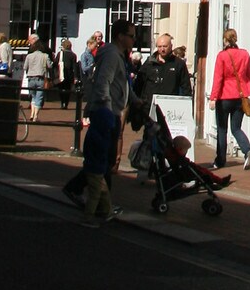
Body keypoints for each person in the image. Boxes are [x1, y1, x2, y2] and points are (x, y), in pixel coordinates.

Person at [77, 18, 135, 223]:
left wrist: (135, 101)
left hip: (108, 111)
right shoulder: (112, 55)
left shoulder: (118, 55)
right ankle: (96, 210)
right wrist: (107, 110)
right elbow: (103, 82)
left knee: (105, 160)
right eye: (131, 36)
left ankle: (102, 206)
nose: (134, 40)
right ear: (121, 36)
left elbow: (122, 83)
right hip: (106, 112)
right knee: (104, 159)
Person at [208, 27, 250, 169]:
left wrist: (213, 97)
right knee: (236, 128)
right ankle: (247, 150)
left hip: (225, 97)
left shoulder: (222, 56)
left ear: (225, 40)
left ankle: (220, 160)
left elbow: (218, 78)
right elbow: (249, 75)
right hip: (240, 96)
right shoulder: (245, 54)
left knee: (222, 129)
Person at [138, 32, 192, 101]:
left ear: (171, 46)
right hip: (149, 105)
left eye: (165, 46)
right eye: (159, 46)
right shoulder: (149, 63)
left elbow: (186, 87)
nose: (162, 49)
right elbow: (139, 83)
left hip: (170, 105)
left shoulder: (178, 64)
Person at [23, 36, 50, 112]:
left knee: (33, 97)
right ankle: (35, 116)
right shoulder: (45, 55)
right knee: (39, 97)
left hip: (31, 77)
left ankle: (32, 114)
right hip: (40, 77)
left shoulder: (29, 56)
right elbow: (50, 65)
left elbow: (25, 67)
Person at [55, 39, 78, 110]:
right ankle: (66, 103)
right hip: (69, 75)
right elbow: (74, 67)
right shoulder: (73, 55)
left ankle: (62, 102)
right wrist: (75, 77)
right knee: (68, 89)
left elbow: (55, 63)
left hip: (61, 74)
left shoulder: (60, 54)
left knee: (61, 89)